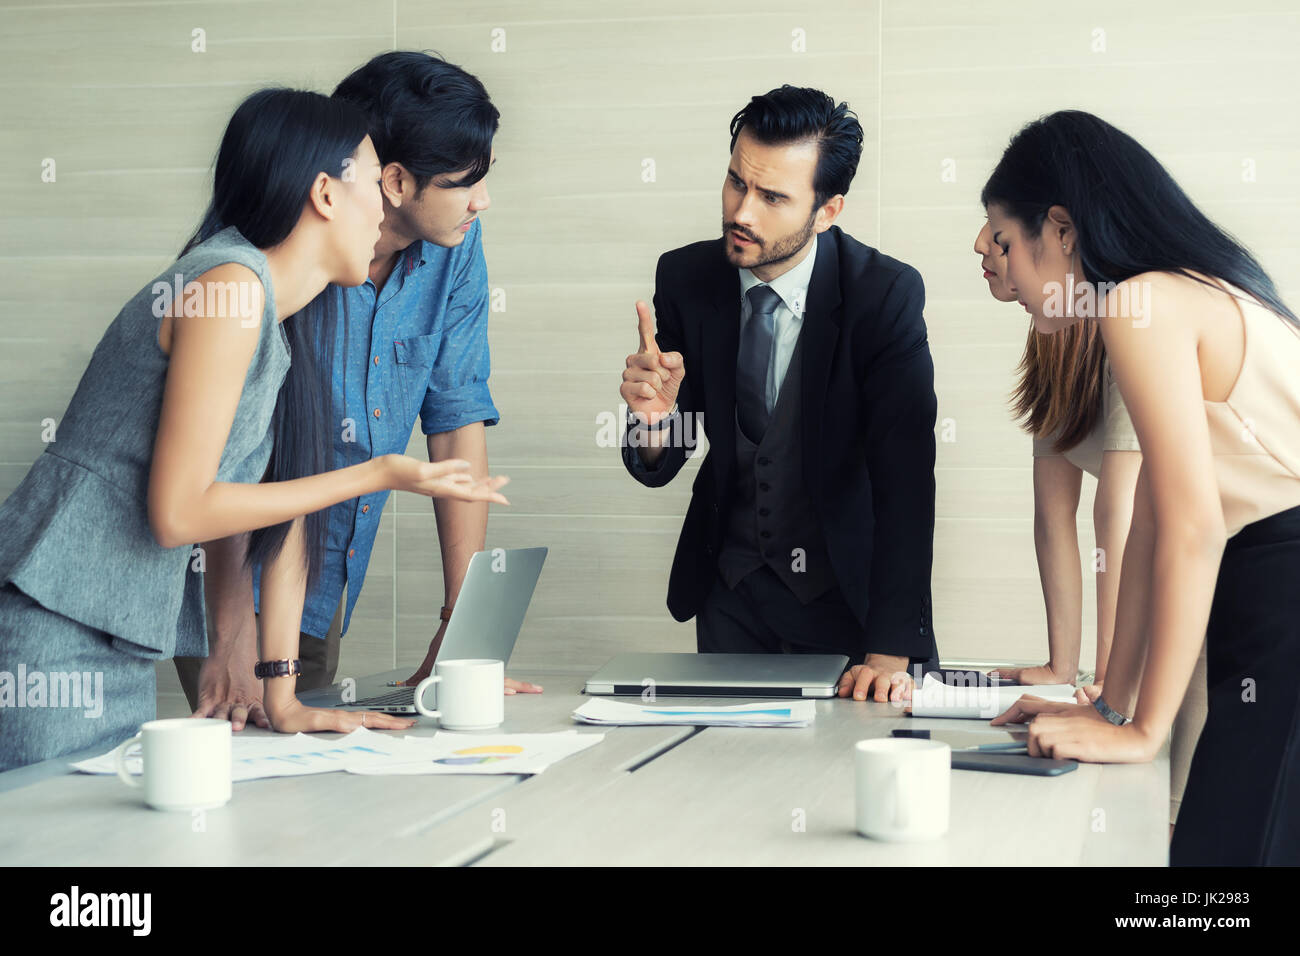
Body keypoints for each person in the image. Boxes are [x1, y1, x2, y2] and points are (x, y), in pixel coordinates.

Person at [0, 88, 509, 772]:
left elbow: (258, 503)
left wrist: (284, 690)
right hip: (55, 619)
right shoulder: (231, 290)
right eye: (370, 185)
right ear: (326, 194)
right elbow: (183, 510)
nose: (381, 214)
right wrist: (380, 472)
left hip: (109, 631)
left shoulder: (269, 308)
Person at [175, 53, 539, 732]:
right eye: (466, 182)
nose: (481, 199)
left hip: (319, 574)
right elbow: (230, 455)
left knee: (315, 775)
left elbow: (456, 413)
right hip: (232, 569)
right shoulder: (282, 255)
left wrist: (461, 629)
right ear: (393, 181)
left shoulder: (457, 246)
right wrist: (227, 627)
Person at [983, 110, 1300, 866]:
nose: (997, 267)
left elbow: (1194, 529)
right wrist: (1114, 704)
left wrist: (1143, 731)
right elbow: (1156, 520)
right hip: (1267, 589)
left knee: (1219, 873)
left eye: (1003, 239)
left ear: (1060, 229)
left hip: (1282, 589)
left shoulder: (1138, 305)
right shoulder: (1187, 290)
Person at [619, 85, 939, 703]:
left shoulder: (884, 296)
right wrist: (655, 425)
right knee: (727, 784)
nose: (742, 211)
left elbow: (907, 481)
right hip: (732, 599)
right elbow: (664, 459)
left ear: (828, 210)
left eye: (773, 197)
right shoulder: (685, 278)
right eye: (736, 182)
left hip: (851, 602)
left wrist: (891, 648)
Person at [975, 221, 1208, 836]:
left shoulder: (1132, 324)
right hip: (1153, 591)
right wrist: (1062, 666)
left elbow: (1122, 515)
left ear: (1060, 237)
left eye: (998, 234)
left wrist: (1108, 685)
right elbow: (1053, 512)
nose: (980, 245)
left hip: (1200, 598)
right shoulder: (1053, 336)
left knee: (1179, 815)